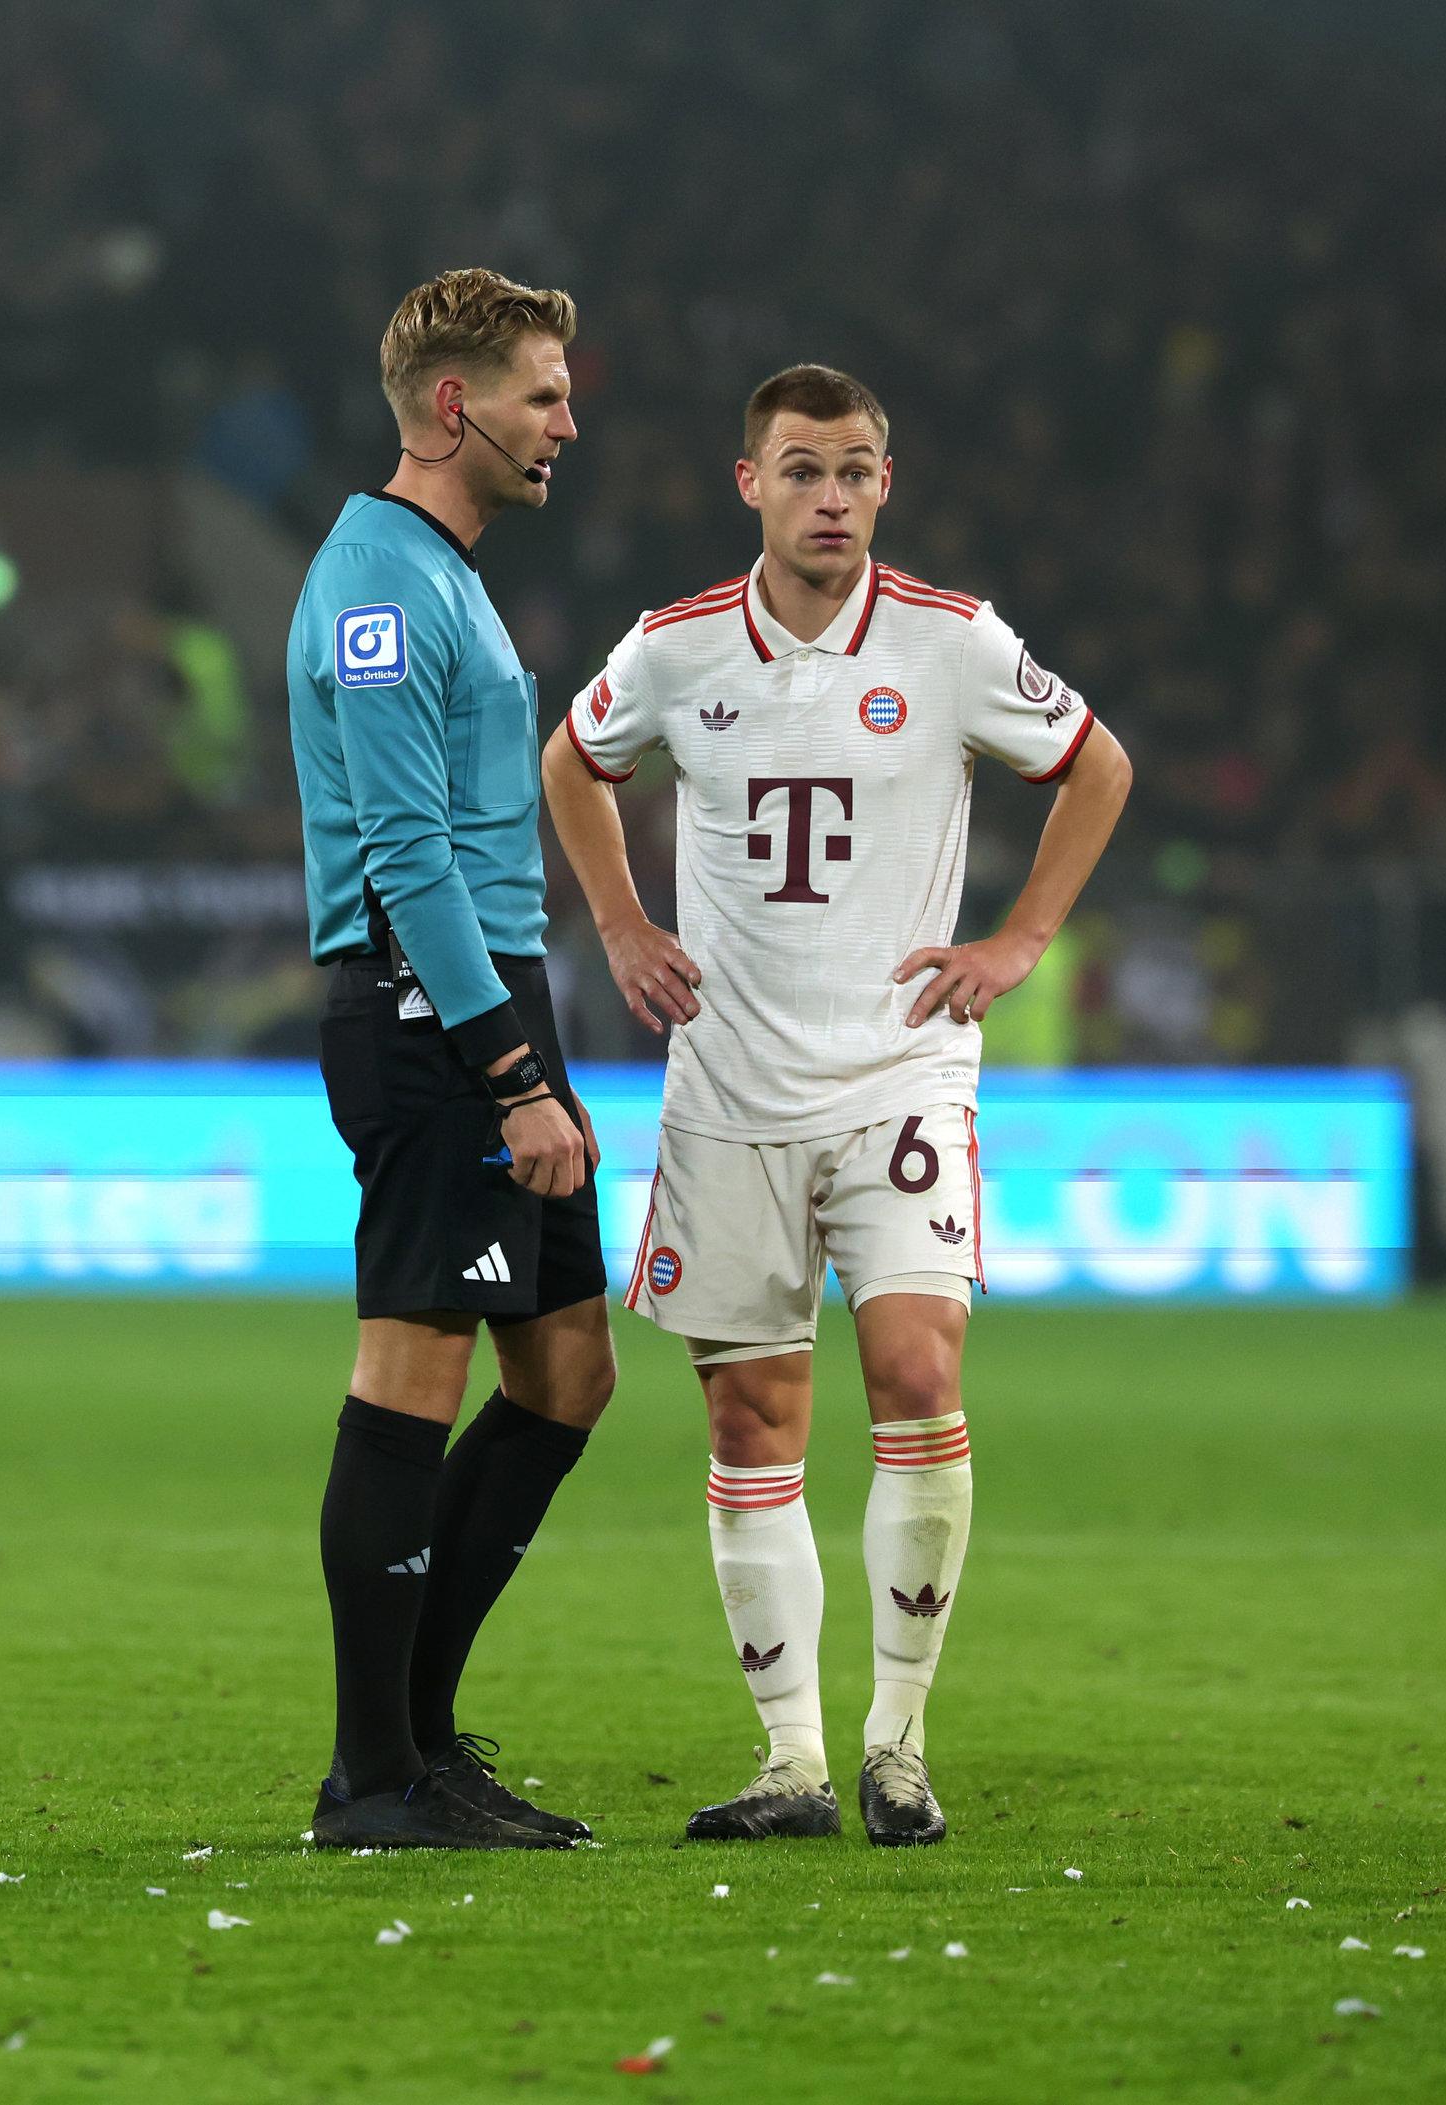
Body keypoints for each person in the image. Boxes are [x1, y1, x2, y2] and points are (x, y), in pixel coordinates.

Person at [541, 364, 1132, 1846]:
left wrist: (1020, 942)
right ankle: (791, 1760)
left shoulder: (949, 642)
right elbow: (573, 756)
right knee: (752, 1411)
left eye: (858, 470)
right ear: (750, 483)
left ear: (887, 484)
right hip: (730, 1081)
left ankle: (901, 1745)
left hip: (899, 1073)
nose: (834, 496)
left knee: (919, 1374)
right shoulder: (677, 651)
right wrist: (618, 924)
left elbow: (1096, 764)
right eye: (804, 469)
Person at [284, 269, 613, 1851]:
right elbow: (407, 856)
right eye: (544, 394)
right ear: (451, 406)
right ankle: (372, 1774)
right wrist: (509, 1074)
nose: (568, 422)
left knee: (567, 1375)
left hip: (492, 999)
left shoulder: (445, 572)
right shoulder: (377, 589)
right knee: (412, 1368)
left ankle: (423, 1732)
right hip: (428, 1017)